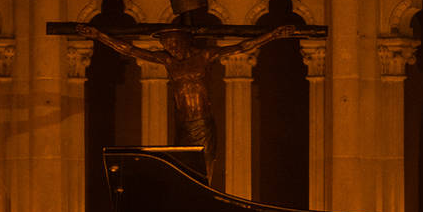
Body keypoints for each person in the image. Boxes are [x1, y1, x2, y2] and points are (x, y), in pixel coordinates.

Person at [76, 23, 298, 181]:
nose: (170, 49)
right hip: (183, 124)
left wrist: (272, 35)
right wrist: (98, 35)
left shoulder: (204, 56)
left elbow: (242, 47)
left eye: (172, 43)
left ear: (182, 40)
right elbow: (129, 49)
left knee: (206, 167)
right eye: (167, 45)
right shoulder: (168, 61)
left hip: (202, 121)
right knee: (183, 169)